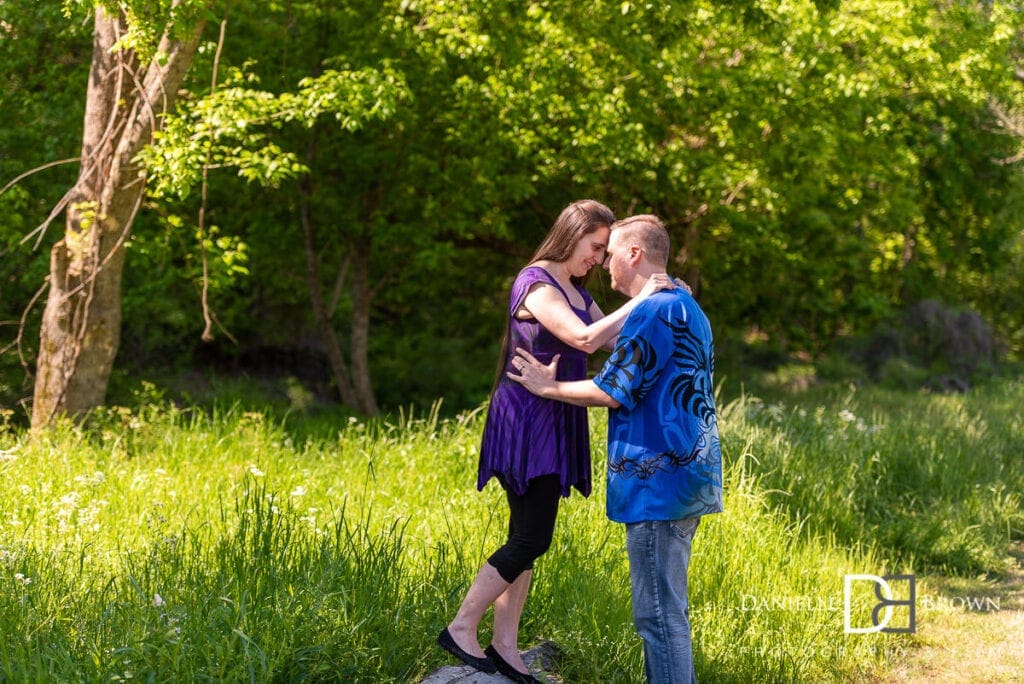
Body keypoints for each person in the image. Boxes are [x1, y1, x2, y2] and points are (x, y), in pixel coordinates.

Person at [437, 201, 676, 683]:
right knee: (532, 537)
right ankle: (461, 627)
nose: (597, 258)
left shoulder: (572, 289)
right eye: (594, 247)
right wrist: (645, 295)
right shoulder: (536, 283)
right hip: (526, 419)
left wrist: (668, 305)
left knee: (526, 536)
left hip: (553, 415)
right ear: (572, 234)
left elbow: (615, 337)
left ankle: (504, 644)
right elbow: (586, 339)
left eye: (604, 250)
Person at [507, 214, 723, 684]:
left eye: (610, 256)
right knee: (669, 611)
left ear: (634, 255)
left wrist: (549, 388)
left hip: (656, 482)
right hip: (691, 478)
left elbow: (613, 389)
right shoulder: (687, 306)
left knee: (659, 617)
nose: (605, 267)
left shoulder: (650, 312)